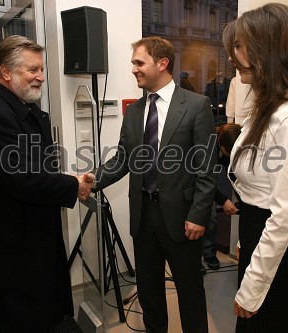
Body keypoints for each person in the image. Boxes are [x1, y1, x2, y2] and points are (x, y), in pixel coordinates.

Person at [0, 35, 94, 333]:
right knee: (23, 314)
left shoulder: (18, 108)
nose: (41, 77)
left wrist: (67, 180)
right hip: (13, 238)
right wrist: (72, 185)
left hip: (28, 229)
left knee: (38, 308)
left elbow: (33, 166)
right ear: (6, 72)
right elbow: (22, 178)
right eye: (32, 70)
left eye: (41, 69)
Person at [94, 36, 217, 332]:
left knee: (189, 290)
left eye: (139, 62)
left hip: (183, 217)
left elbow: (207, 166)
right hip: (144, 215)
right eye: (133, 63)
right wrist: (91, 180)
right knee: (148, 290)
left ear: (162, 64)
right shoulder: (136, 111)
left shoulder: (196, 105)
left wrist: (199, 214)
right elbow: (123, 158)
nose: (134, 69)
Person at [223, 4, 288, 331]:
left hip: (278, 253)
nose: (232, 56)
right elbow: (258, 189)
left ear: (267, 52)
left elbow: (282, 214)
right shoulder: (267, 107)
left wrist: (252, 288)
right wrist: (244, 243)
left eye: (239, 47)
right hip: (258, 237)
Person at [202, 123, 241, 271]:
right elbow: (204, 179)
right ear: (220, 143)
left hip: (207, 183)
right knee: (204, 218)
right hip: (193, 183)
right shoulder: (206, 147)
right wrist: (223, 200)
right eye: (229, 151)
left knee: (211, 222)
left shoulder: (231, 146)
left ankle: (209, 253)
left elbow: (232, 175)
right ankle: (194, 259)